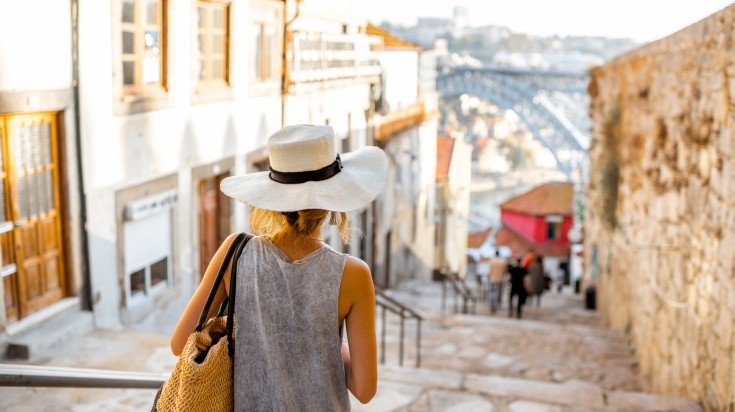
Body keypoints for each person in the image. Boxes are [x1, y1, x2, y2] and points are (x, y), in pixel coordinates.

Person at [170, 125, 387, 410]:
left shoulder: (235, 253)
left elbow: (179, 344)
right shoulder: (353, 274)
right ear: (333, 200)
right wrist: (324, 342)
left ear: (273, 197)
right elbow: (364, 389)